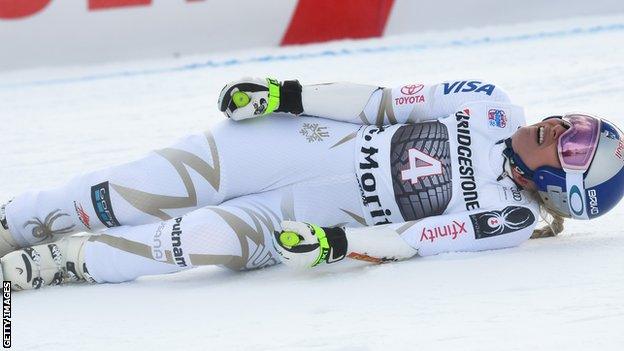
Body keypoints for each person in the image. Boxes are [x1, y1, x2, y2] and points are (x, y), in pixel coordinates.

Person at [1, 77, 623, 291]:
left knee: (182, 245)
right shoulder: (491, 105)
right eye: (576, 122)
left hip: (290, 220)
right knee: (128, 191)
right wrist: (286, 94)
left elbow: (415, 238)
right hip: (285, 146)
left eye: (575, 144)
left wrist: (333, 245)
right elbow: (382, 103)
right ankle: (13, 224)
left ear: (564, 184)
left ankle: (51, 265)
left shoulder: (508, 220)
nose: (563, 126)